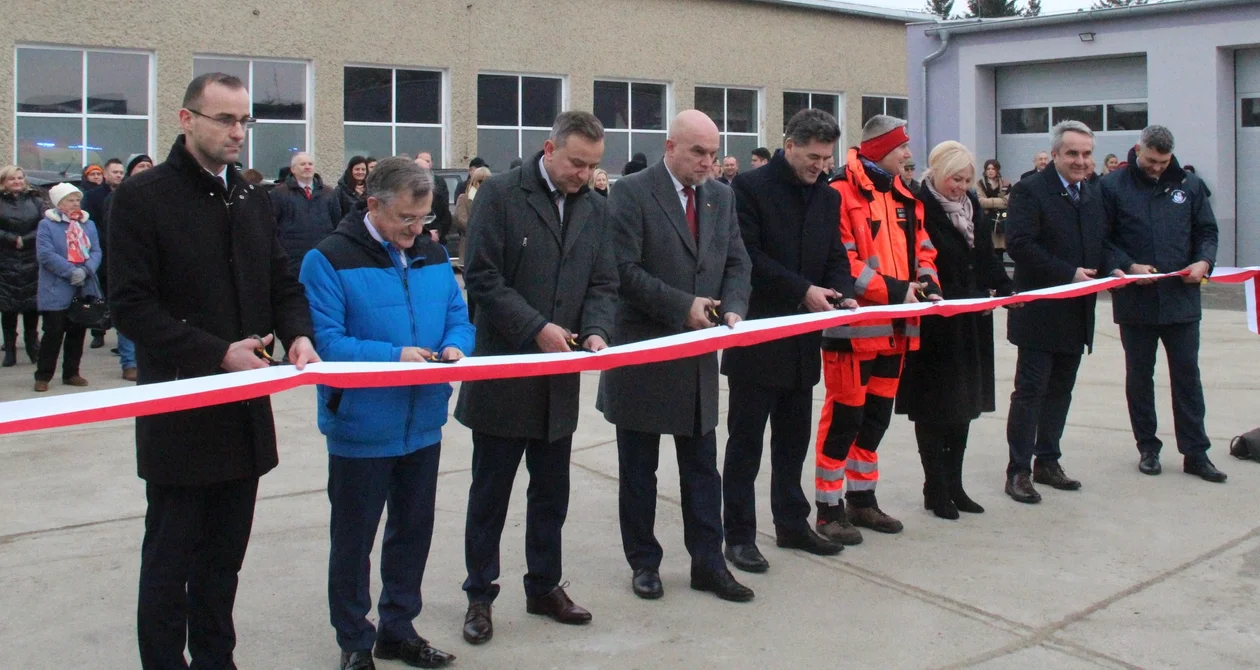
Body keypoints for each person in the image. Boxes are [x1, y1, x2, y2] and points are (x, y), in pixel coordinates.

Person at [109, 72, 318, 669]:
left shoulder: (252, 198)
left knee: (224, 562)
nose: (237, 132)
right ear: (186, 119)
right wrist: (215, 352)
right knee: (171, 561)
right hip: (180, 412)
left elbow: (281, 281)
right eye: (225, 119)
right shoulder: (143, 199)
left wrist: (299, 332)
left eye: (244, 121)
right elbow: (130, 304)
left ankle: (215, 659)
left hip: (245, 416)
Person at [301, 157, 471, 670]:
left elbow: (459, 317)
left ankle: (398, 627)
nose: (416, 230)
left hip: (422, 422)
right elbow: (327, 342)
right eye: (406, 220)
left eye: (423, 220)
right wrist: (393, 356)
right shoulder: (327, 258)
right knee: (354, 540)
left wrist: (457, 348)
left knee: (411, 532)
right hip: (361, 424)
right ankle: (354, 639)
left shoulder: (434, 254)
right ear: (373, 204)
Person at [455, 111, 617, 645]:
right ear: (549, 149)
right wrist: (535, 328)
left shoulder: (594, 208)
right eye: (576, 163)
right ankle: (480, 594)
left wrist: (593, 330)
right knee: (491, 495)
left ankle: (543, 586)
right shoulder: (501, 195)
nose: (584, 174)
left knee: (551, 494)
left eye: (593, 165)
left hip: (559, 381)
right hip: (506, 375)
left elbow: (602, 281)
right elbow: (480, 276)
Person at [598, 109, 754, 603]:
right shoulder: (631, 192)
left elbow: (736, 261)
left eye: (712, 153)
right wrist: (680, 306)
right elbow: (622, 269)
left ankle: (708, 562)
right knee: (639, 469)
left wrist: (733, 308)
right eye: (697, 153)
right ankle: (644, 562)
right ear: (671, 147)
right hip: (643, 352)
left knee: (702, 468)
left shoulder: (720, 197)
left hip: (697, 357)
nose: (707, 163)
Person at [720, 108, 854, 574]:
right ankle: (737, 535)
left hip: (803, 339)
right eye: (813, 157)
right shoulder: (750, 189)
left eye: (827, 159)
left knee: (793, 439)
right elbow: (747, 257)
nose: (820, 166)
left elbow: (835, 254)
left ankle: (792, 523)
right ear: (790, 145)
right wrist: (802, 289)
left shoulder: (827, 196)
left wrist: (844, 291)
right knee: (746, 444)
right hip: (758, 337)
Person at [815, 114, 941, 543]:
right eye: (902, 147)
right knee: (843, 419)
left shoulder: (904, 195)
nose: (909, 154)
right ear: (880, 150)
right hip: (855, 330)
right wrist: (894, 290)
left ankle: (862, 500)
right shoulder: (839, 192)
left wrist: (928, 283)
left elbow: (924, 247)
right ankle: (828, 509)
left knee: (875, 420)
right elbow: (841, 262)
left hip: (897, 330)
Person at [1101, 125, 1226, 483]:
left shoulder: (1189, 186)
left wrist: (1204, 263)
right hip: (1136, 301)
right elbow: (1101, 239)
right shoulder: (1113, 186)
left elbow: (1207, 231)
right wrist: (1127, 265)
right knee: (1140, 376)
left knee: (1187, 376)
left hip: (1181, 300)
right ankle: (1148, 447)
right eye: (1151, 160)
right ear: (1138, 149)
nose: (1156, 167)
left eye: (1163, 161)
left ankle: (1196, 452)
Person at [898, 141, 1013, 519]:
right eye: (955, 179)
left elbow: (983, 257)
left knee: (964, 406)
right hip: (935, 324)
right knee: (934, 408)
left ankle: (955, 484)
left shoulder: (972, 206)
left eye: (967, 180)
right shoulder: (918, 206)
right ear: (938, 174)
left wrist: (1007, 287)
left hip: (970, 320)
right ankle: (935, 487)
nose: (961, 187)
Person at [1003, 120, 1105, 504]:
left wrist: (1122, 268)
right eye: (1073, 153)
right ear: (1057, 154)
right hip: (1040, 312)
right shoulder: (1031, 190)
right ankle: (1018, 471)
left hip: (1076, 313)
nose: (1081, 161)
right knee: (1030, 392)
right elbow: (1020, 244)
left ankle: (1048, 460)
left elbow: (1100, 243)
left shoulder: (1091, 193)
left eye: (1087, 154)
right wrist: (1068, 274)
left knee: (1061, 391)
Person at [33, 183, 100, 392]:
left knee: (77, 332)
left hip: (82, 286)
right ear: (59, 203)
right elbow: (45, 254)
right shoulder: (47, 225)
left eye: (77, 199)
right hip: (57, 286)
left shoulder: (88, 224)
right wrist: (71, 271)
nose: (75, 203)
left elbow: (96, 250)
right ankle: (43, 375)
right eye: (70, 200)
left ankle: (71, 372)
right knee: (53, 332)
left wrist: (86, 269)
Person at [105, 156, 153, 382]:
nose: (145, 170)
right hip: (127, 262)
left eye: (149, 166)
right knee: (129, 311)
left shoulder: (157, 195)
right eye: (141, 166)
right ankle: (129, 362)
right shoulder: (120, 196)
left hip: (153, 264)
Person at [0, 165, 44, 367]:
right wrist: (11, 239)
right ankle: (10, 349)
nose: (17, 181)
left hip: (31, 259)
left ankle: (32, 346)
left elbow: (43, 225)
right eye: (12, 179)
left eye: (20, 177)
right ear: (4, 182)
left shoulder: (35, 200)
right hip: (6, 260)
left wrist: (25, 240)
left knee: (31, 307)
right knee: (8, 308)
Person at [272, 152, 342, 277]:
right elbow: (272, 225)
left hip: (322, 255)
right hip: (291, 259)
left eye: (310, 164)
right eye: (302, 164)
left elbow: (337, 223)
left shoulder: (329, 193)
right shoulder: (279, 193)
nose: (307, 167)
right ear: (293, 169)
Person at [83, 157, 123, 349]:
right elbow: (89, 222)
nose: (119, 175)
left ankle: (120, 335)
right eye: (115, 172)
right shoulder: (93, 196)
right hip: (100, 249)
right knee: (100, 294)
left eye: (121, 172)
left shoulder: (127, 192)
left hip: (120, 250)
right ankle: (98, 333)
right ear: (106, 175)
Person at [414, 152, 452, 246]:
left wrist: (438, 233)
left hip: (437, 238)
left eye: (427, 161)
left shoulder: (439, 183)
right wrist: (426, 233)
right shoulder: (407, 189)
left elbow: (445, 212)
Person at [453, 166, 490, 262]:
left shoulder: (494, 199)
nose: (484, 184)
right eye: (481, 181)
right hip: (469, 247)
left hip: (489, 248)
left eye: (488, 181)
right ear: (474, 181)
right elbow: (461, 219)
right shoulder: (464, 198)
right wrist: (482, 228)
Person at [978, 159, 1011, 263]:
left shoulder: (1005, 183)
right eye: (988, 169)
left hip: (1001, 219)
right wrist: (1001, 201)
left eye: (993, 168)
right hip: (986, 219)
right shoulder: (980, 184)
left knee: (999, 251)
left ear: (997, 170)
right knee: (988, 250)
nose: (990, 171)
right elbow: (981, 202)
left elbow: (1010, 199)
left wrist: (990, 202)